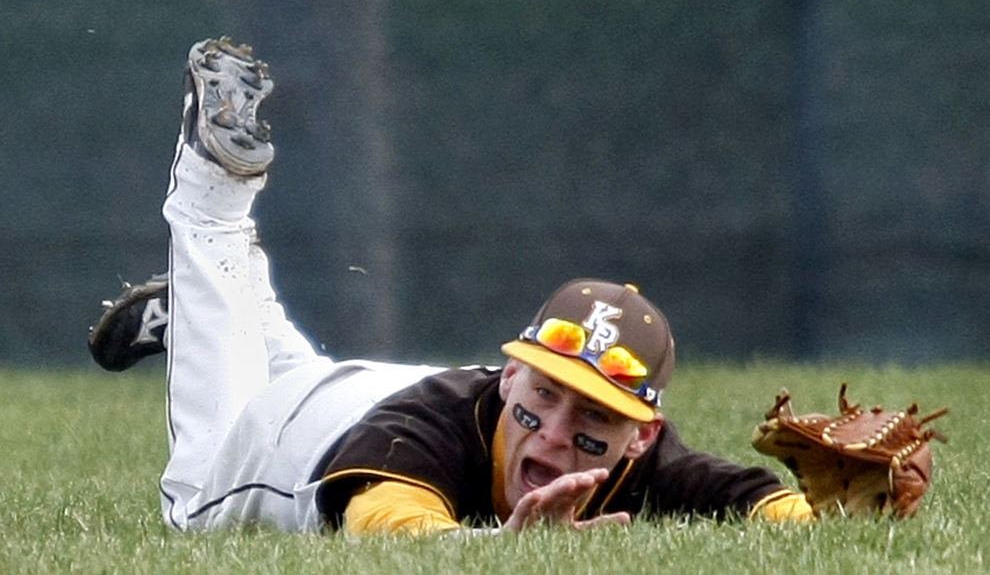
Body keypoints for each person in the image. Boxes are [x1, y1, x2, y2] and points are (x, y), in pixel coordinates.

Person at [88, 36, 813, 535]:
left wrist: (847, 512)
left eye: (593, 418)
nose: (557, 436)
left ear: (640, 436)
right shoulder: (429, 433)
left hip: (355, 383)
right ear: (511, 379)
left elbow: (756, 502)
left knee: (273, 350)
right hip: (297, 434)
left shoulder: (645, 462)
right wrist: (510, 552)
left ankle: (210, 305)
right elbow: (393, 535)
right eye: (544, 397)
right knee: (191, 507)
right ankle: (213, 203)